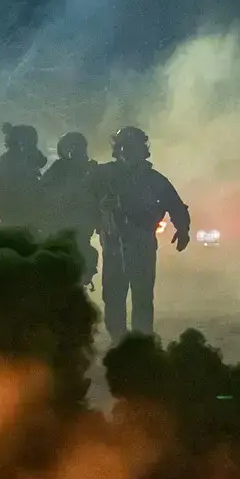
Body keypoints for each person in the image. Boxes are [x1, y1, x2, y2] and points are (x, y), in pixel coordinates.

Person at [95, 126, 190, 341]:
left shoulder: (154, 180)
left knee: (142, 296)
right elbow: (81, 201)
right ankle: (119, 340)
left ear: (142, 150)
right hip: (113, 245)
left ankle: (141, 342)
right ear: (117, 150)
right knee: (113, 296)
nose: (128, 152)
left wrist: (182, 229)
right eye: (124, 147)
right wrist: (100, 208)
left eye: (133, 147)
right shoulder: (102, 176)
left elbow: (175, 205)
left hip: (142, 244)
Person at [40, 130, 101, 286]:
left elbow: (102, 196)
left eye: (80, 148)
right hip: (62, 225)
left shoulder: (91, 169)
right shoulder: (59, 168)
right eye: (74, 148)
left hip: (81, 225)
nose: (78, 152)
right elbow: (44, 191)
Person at [0, 123, 48, 232]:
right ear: (23, 145)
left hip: (11, 225)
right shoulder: (20, 165)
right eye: (32, 144)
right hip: (24, 227)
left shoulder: (0, 165)